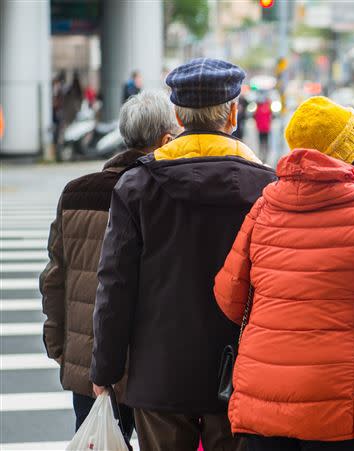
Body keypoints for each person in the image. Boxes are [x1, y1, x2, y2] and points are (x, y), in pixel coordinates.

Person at [214, 96, 354, 451]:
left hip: (263, 402)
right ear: (351, 155)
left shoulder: (265, 206)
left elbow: (229, 297)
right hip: (341, 405)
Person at [91, 58, 276, 451]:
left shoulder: (137, 184)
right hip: (243, 370)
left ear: (177, 114)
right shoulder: (266, 185)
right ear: (233, 113)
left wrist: (105, 368)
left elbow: (115, 284)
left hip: (159, 373)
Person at [40, 90, 179, 445]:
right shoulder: (162, 193)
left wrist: (60, 347)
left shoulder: (75, 192)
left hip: (88, 359)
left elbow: (55, 277)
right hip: (148, 363)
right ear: (164, 139)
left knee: (95, 442)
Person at [253, 97, 272, 162]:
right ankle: (265, 155)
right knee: (265, 142)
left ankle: (262, 154)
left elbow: (255, 118)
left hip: (261, 129)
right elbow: (270, 117)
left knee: (261, 142)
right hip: (266, 129)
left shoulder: (258, 109)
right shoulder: (268, 108)